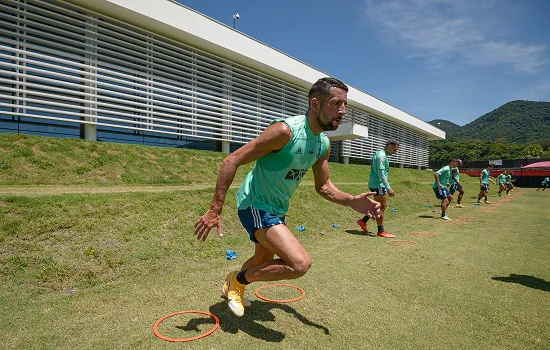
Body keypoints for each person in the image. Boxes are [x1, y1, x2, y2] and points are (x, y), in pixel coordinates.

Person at [194, 77, 382, 317]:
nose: (342, 111)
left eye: (345, 105)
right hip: (255, 203)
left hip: (277, 208)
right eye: (336, 104)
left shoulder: (323, 143)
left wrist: (351, 200)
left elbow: (324, 186)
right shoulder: (285, 131)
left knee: (262, 260)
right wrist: (215, 209)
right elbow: (232, 160)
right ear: (316, 105)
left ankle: (234, 287)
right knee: (299, 264)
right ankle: (237, 281)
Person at [356, 140, 400, 238]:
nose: (395, 151)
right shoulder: (382, 156)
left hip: (376, 183)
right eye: (394, 149)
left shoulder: (381, 154)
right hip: (379, 184)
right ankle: (381, 231)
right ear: (389, 146)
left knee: (380, 206)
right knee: (381, 207)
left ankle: (363, 221)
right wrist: (388, 188)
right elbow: (381, 174)